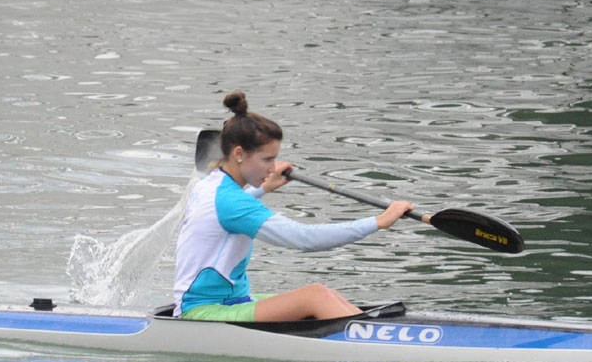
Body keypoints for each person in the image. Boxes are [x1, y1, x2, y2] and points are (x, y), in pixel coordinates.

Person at [173, 90, 413, 322]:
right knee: (315, 296)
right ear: (238, 153)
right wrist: (378, 222)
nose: (272, 167)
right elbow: (303, 238)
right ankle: (374, 343)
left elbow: (224, 211)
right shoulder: (232, 202)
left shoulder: (211, 184)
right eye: (267, 159)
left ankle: (369, 331)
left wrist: (264, 188)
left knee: (326, 294)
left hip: (230, 302)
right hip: (204, 314)